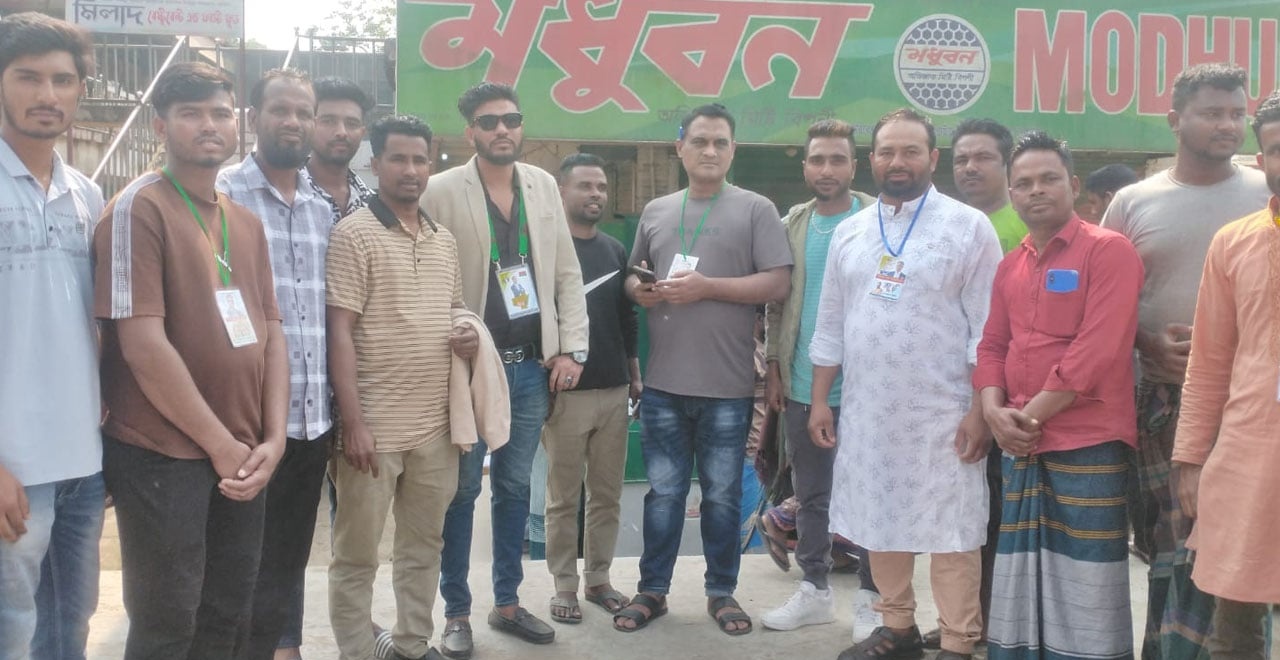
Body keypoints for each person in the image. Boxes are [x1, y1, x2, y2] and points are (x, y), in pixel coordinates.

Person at [92, 61, 288, 658]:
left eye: (220, 113)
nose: (209, 125)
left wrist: (273, 439)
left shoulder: (244, 222)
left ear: (238, 124)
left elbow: (272, 333)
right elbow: (142, 346)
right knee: (167, 622)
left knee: (227, 612)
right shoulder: (139, 208)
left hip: (244, 453)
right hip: (163, 455)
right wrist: (221, 445)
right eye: (190, 114)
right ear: (160, 125)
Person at [809, 108, 1001, 660]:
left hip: (946, 413)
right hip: (869, 412)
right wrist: (820, 400)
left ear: (932, 158)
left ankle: (959, 641)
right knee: (880, 517)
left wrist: (979, 410)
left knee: (952, 531)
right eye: (888, 151)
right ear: (872, 160)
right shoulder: (849, 232)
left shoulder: (969, 227)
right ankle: (897, 629)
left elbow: (988, 330)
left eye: (911, 151)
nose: (898, 161)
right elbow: (830, 322)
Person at [1100, 62, 1270, 660]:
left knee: (1244, 549)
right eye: (1212, 113)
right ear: (1175, 120)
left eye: (1237, 113)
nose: (1228, 125)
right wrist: (1147, 342)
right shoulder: (1133, 202)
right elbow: (1105, 302)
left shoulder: (1265, 190)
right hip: (1164, 403)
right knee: (1171, 548)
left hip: (1252, 412)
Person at [421, 81, 589, 658]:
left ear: (521, 126)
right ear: (470, 130)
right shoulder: (441, 190)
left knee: (515, 487)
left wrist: (572, 349)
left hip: (530, 369)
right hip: (470, 370)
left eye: (511, 120)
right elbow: (426, 274)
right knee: (463, 490)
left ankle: (509, 603)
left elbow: (566, 273)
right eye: (489, 121)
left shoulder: (541, 185)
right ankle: (456, 611)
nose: (502, 130)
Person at [615, 103, 793, 636]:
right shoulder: (656, 210)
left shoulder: (756, 209)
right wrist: (640, 291)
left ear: (733, 150)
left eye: (720, 142)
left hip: (728, 388)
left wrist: (707, 288)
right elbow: (632, 275)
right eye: (699, 141)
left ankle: (721, 592)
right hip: (664, 385)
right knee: (663, 496)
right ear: (680, 148)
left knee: (720, 495)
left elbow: (778, 282)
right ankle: (653, 590)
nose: (709, 151)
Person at [976, 131, 1143, 659]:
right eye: (1023, 183)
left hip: (1087, 441)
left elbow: (1098, 350)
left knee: (1085, 580)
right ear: (1011, 193)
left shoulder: (1109, 251)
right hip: (1021, 442)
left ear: (1073, 185)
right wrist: (992, 411)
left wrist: (1022, 419)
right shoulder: (1010, 265)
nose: (1036, 191)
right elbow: (992, 344)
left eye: (1048, 179)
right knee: (1021, 575)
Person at [327, 114, 475, 660]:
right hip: (373, 433)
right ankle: (356, 652)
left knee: (423, 548)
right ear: (375, 164)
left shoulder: (443, 240)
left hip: (435, 429)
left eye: (419, 159)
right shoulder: (353, 235)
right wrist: (354, 423)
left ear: (430, 163)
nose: (410, 170)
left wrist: (467, 332)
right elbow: (338, 332)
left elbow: (455, 307)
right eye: (398, 158)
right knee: (356, 557)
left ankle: (411, 646)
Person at [215, 68, 333, 660]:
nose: (293, 122)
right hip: (244, 422)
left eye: (303, 113)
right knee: (235, 561)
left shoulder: (322, 208)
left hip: (312, 419)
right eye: (280, 110)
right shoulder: (223, 195)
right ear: (253, 117)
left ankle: (281, 648)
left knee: (289, 554)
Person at [0, 13, 105, 660]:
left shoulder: (87, 195)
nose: (47, 95)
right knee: (10, 628)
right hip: (12, 467)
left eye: (63, 80)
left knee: (71, 626)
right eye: (28, 77)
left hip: (82, 465)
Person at [1172, 89, 1280, 660]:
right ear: (1261, 160)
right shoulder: (1234, 243)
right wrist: (1191, 458)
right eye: (1278, 149)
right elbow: (1209, 363)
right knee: (1234, 633)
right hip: (1249, 459)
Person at [759, 118, 878, 634]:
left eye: (837, 159)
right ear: (805, 166)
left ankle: (874, 598)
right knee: (812, 495)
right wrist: (775, 367)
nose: (827, 169)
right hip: (805, 383)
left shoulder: (880, 218)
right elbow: (777, 303)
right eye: (817, 160)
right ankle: (815, 590)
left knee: (871, 494)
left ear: (855, 165)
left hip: (869, 386)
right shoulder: (792, 224)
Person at [541, 153, 641, 624]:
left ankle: (598, 578)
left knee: (606, 495)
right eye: (585, 186)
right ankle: (564, 585)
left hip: (614, 390)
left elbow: (626, 317)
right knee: (563, 498)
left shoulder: (615, 251)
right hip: (566, 396)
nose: (595, 194)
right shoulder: (545, 250)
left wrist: (634, 372)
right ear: (562, 190)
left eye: (601, 186)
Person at [305, 76, 375, 220]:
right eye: (328, 121)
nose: (342, 132)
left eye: (352, 123)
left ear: (362, 133)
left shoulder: (373, 207)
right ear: (309, 125)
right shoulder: (283, 192)